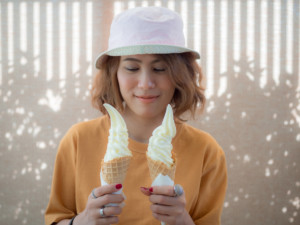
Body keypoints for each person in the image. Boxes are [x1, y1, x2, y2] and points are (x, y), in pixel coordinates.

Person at [45, 6, 227, 225]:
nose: (145, 84)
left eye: (160, 69)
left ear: (180, 75)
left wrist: (182, 221)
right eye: (132, 68)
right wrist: (82, 221)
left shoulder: (206, 151)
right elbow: (56, 219)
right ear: (115, 73)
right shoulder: (78, 140)